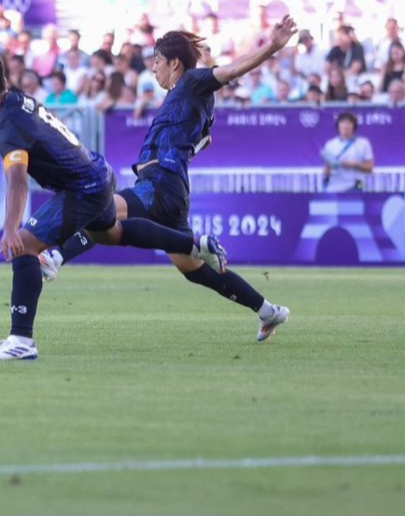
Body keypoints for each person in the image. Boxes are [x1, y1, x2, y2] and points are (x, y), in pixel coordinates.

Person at [40, 18, 300, 343]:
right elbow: (205, 139)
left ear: (175, 63)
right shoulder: (187, 94)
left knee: (102, 207)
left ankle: (53, 257)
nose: (153, 70)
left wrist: (273, 46)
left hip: (159, 181)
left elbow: (230, 71)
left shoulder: (191, 82)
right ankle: (266, 310)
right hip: (173, 187)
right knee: (194, 269)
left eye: (157, 62)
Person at [0, 53, 228, 362]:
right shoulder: (19, 101)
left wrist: (10, 229)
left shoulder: (8, 127)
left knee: (24, 246)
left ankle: (21, 340)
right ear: (5, 81)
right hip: (99, 172)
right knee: (111, 234)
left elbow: (18, 181)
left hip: (83, 188)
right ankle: (195, 244)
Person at [321, 112, 374, 192]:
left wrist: (355, 165)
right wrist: (331, 165)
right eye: (342, 123)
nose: (345, 126)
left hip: (357, 184)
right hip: (335, 185)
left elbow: (370, 169)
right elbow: (326, 171)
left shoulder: (363, 143)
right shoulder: (330, 144)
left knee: (361, 193)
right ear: (338, 126)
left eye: (349, 123)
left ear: (354, 126)